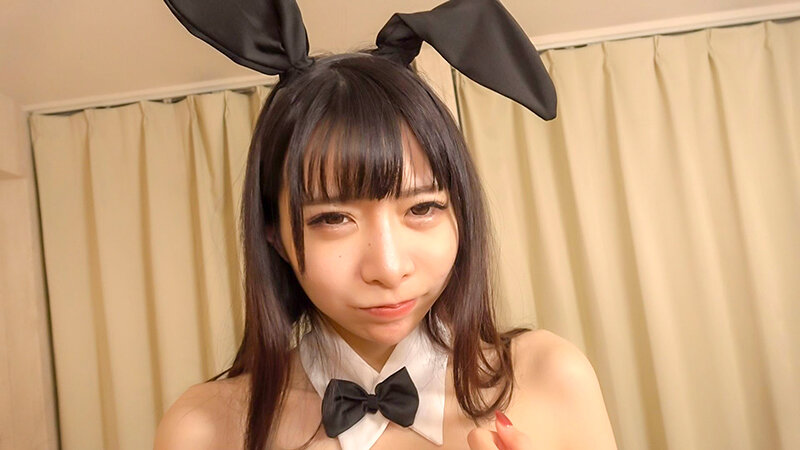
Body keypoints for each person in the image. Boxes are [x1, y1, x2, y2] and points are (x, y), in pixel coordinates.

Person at [155, 1, 618, 449]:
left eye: (422, 209)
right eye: (333, 219)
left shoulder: (551, 378)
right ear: (275, 236)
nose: (389, 268)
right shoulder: (203, 430)